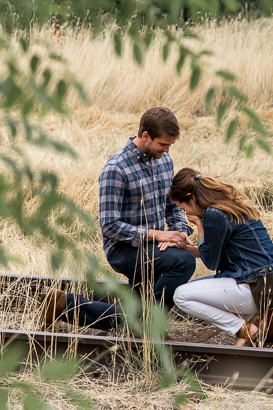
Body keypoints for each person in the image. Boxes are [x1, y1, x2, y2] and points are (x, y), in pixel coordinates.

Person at [41, 107, 197, 331]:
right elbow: (110, 226)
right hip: (124, 249)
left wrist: (179, 233)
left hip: (154, 246)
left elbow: (172, 207)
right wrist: (157, 234)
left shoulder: (164, 160)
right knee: (183, 261)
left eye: (170, 145)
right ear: (145, 136)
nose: (167, 149)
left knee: (131, 319)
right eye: (163, 144)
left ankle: (63, 304)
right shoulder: (116, 169)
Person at [168, 168, 273, 346]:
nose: (186, 214)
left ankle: (243, 328)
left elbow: (211, 262)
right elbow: (221, 252)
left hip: (255, 287)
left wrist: (199, 225)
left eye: (184, 208)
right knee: (194, 288)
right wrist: (189, 249)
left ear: (191, 197)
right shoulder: (228, 205)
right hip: (266, 283)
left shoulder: (213, 214)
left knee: (181, 296)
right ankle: (250, 321)